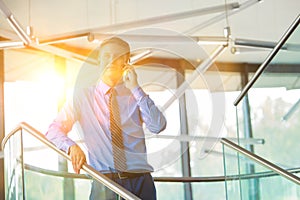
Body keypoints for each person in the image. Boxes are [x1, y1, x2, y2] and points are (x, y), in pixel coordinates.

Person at [46, 37, 167, 200]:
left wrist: (136, 88)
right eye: (106, 56)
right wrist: (71, 147)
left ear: (126, 62)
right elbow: (53, 130)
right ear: (99, 61)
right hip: (104, 182)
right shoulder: (82, 97)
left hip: (141, 182)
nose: (111, 61)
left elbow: (158, 126)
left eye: (117, 56)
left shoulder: (135, 95)